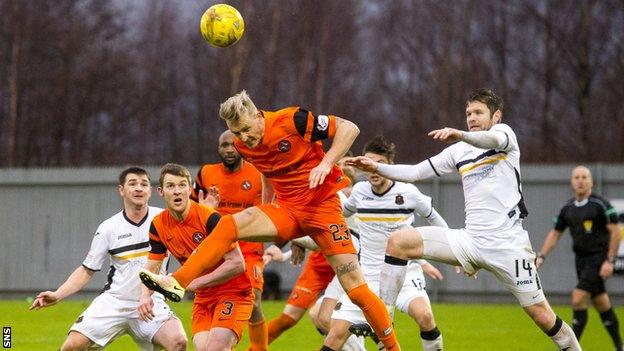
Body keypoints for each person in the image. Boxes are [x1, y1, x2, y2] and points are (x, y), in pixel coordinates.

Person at [140, 90, 400, 350]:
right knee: (228, 224)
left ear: (257, 115)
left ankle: (392, 347)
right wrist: (266, 209)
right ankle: (177, 282)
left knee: (355, 289)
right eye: (236, 133)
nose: (242, 139)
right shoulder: (243, 145)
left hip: (323, 208)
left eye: (244, 130)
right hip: (287, 210)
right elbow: (267, 170)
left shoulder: (293, 120)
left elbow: (349, 128)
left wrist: (326, 163)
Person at [346, 88, 582, 351]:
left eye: (478, 112)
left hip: (508, 246)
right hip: (469, 241)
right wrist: (376, 167)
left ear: (496, 116)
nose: (471, 117)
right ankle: (383, 320)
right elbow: (414, 172)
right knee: (399, 242)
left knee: (541, 314)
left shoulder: (505, 135)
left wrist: (460, 135)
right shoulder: (459, 151)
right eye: (468, 113)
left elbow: (487, 139)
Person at [29, 167, 187, 351]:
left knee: (179, 342)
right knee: (71, 347)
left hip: (152, 302)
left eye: (144, 184)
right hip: (115, 301)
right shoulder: (108, 228)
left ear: (151, 191)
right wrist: (57, 295)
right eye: (133, 183)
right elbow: (86, 270)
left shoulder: (165, 218)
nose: (139, 188)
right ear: (121, 190)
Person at [326, 135, 446, 351]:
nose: (374, 169)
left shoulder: (408, 192)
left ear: (390, 166)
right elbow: (340, 213)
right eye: (370, 163)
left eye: (380, 164)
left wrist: (454, 253)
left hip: (405, 274)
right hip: (368, 277)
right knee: (335, 334)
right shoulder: (360, 192)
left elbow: (434, 218)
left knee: (425, 316)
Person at [139, 163, 254, 351]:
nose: (177, 191)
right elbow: (152, 266)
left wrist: (195, 283)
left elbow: (237, 264)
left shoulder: (210, 218)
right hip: (203, 299)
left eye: (182, 185)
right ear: (161, 191)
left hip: (233, 291)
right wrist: (145, 297)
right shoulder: (158, 225)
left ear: (190, 188)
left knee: (215, 349)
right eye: (170, 186)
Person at [192, 130, 268, 351]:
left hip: (249, 249)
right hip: (217, 253)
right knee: (220, 299)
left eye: (233, 145)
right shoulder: (205, 174)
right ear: (218, 149)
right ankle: (225, 341)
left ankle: (259, 348)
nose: (228, 150)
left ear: (242, 146)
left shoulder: (257, 174)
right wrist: (204, 209)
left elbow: (268, 212)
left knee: (253, 300)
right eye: (224, 145)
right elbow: (192, 211)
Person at [536, 165, 622, 350]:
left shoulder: (600, 205)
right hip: (581, 261)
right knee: (601, 302)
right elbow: (555, 234)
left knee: (577, 298)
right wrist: (541, 255)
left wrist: (610, 261)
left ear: (591, 181)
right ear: (572, 182)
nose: (581, 180)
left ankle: (570, 348)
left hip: (598, 259)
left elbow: (615, 232)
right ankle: (619, 346)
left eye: (584, 177)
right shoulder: (567, 208)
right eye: (577, 177)